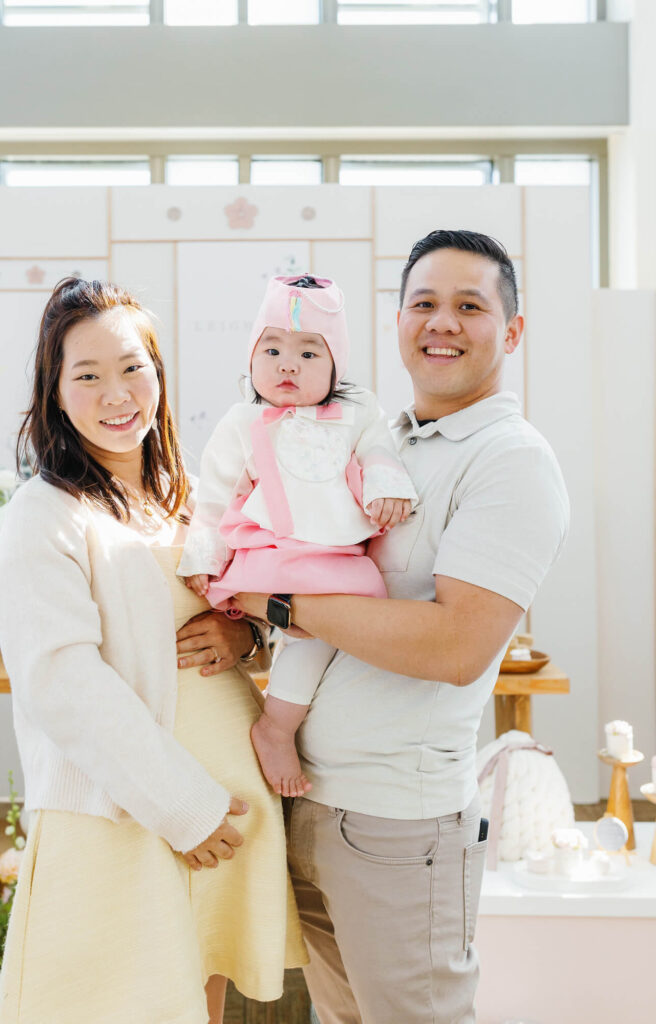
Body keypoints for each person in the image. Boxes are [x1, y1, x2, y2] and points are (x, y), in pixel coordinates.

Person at [231, 231, 570, 1024]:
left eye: (469, 306)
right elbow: (311, 571)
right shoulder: (378, 444)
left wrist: (273, 604)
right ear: (396, 321)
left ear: (512, 331)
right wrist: (245, 628)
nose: (440, 322)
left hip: (397, 823)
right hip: (310, 799)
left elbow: (455, 648)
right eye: (423, 303)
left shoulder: (509, 461)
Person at [0, 278, 306, 1024]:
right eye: (87, 375)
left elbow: (261, 598)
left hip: (222, 812)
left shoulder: (189, 493)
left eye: (133, 367)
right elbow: (62, 685)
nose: (116, 392)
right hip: (129, 821)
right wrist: (185, 810)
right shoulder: (43, 518)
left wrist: (246, 634)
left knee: (202, 996)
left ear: (160, 373)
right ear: (55, 393)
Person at [177, 274, 417, 799]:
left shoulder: (358, 413)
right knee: (307, 632)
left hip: (335, 561)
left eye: (310, 353)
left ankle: (279, 723)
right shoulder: (243, 421)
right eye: (273, 349)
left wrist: (385, 487)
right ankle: (279, 729)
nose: (288, 364)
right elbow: (215, 495)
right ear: (252, 357)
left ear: (336, 366)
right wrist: (203, 555)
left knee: (327, 639)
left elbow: (380, 452)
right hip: (272, 555)